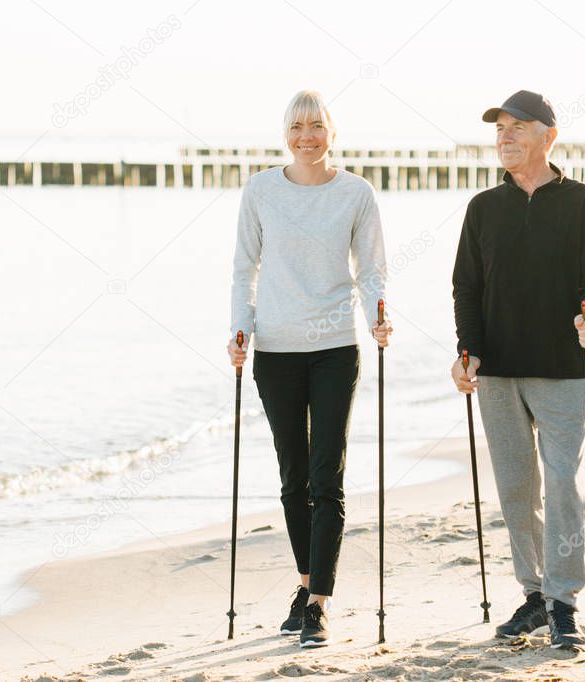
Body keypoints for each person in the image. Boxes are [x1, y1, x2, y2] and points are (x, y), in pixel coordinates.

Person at [450, 90, 585, 651]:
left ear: (548, 135)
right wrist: (466, 348)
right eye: (499, 128)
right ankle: (535, 596)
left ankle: (564, 600)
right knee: (517, 489)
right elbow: (466, 287)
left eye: (518, 127)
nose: (505, 137)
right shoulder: (482, 209)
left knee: (564, 482)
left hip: (563, 367)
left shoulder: (582, 203)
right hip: (497, 371)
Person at [228, 89, 393, 648]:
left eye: (317, 126)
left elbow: (372, 270)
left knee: (328, 476)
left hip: (333, 349)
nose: (307, 136)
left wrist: (378, 316)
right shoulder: (260, 191)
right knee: (292, 477)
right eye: (298, 126)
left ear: (332, 133)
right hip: (274, 350)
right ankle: (303, 585)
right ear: (285, 134)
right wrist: (240, 329)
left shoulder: (355, 194)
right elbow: (243, 270)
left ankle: (318, 601)